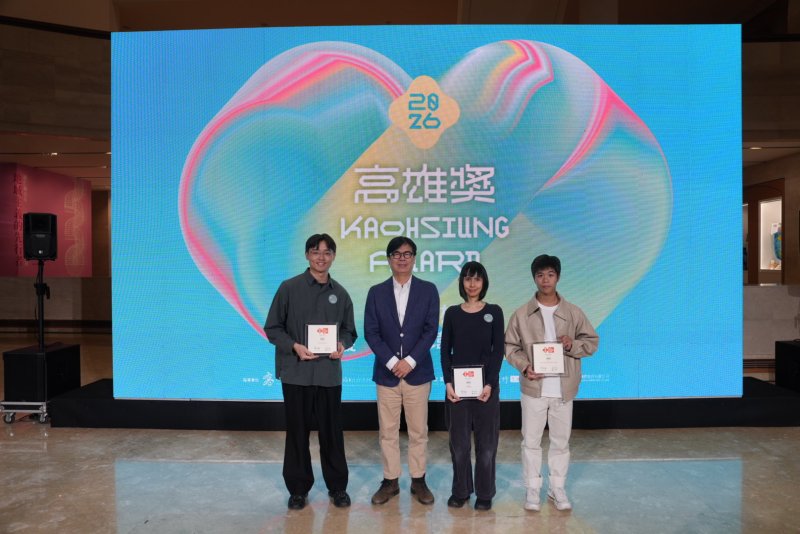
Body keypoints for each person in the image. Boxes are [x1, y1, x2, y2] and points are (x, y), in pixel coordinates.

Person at [264, 233, 357, 510]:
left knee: (332, 434)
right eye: (316, 252)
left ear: (334, 256)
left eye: (327, 252)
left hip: (328, 375)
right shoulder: (289, 288)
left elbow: (350, 331)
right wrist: (294, 346)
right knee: (297, 434)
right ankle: (298, 490)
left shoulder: (341, 294)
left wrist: (342, 344)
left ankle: (338, 488)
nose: (321, 257)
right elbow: (272, 328)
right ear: (307, 255)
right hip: (297, 373)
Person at [504, 254, 599, 512]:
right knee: (531, 441)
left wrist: (571, 344)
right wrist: (525, 366)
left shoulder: (573, 312)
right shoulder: (522, 314)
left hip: (563, 389)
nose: (545, 280)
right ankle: (532, 488)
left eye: (550, 274)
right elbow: (510, 347)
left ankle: (557, 488)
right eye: (540, 275)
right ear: (534, 278)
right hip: (534, 388)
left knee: (560, 442)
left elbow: (591, 342)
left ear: (558, 277)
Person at [364, 236, 440, 505]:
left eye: (407, 254)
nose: (402, 258)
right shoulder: (376, 292)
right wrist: (391, 361)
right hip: (386, 375)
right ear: (389, 259)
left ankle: (418, 480)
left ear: (414, 258)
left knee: (419, 431)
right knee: (388, 431)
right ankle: (390, 481)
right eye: (396, 254)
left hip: (417, 373)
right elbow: (371, 332)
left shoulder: (428, 290)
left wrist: (410, 360)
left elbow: (431, 330)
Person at [440, 261, 504, 511]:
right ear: (462, 283)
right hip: (457, 391)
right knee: (459, 446)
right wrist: (448, 382)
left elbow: (498, 351)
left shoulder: (494, 312)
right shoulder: (452, 313)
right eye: (468, 278)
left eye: (477, 279)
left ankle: (485, 493)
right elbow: (445, 351)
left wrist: (490, 383)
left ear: (484, 282)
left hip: (486, 390)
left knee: (486, 446)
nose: (472, 284)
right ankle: (461, 491)